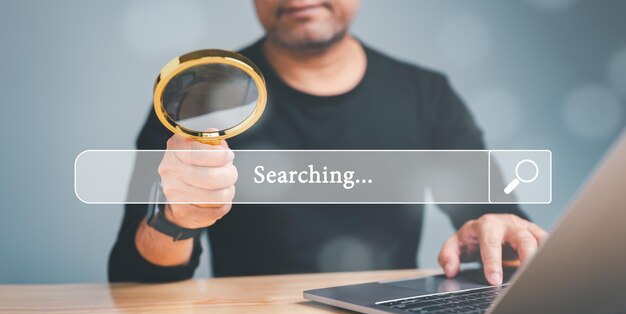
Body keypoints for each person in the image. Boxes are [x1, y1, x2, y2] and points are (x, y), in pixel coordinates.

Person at [109, 0, 547, 285]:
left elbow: (508, 234)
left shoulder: (426, 94)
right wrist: (176, 218)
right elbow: (134, 277)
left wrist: (498, 231)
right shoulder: (194, 102)